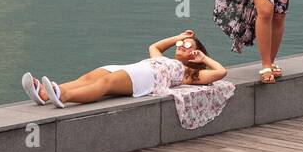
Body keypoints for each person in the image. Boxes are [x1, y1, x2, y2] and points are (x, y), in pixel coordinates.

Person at [22, 31, 226, 109]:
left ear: (195, 54)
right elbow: (154, 47)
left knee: (105, 84)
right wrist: (177, 37)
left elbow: (220, 73)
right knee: (91, 76)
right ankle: (44, 95)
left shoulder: (189, 73)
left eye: (188, 46)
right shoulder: (163, 59)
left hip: (148, 78)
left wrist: (203, 58)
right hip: (137, 68)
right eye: (181, 43)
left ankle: (63, 95)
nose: (182, 45)